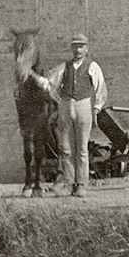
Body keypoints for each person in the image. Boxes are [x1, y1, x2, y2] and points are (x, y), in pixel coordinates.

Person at [49, 33, 108, 198]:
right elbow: (51, 84)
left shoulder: (92, 66)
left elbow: (101, 89)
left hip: (83, 105)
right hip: (66, 106)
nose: (78, 49)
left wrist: (96, 108)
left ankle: (81, 184)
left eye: (81, 46)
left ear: (86, 48)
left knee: (82, 149)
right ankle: (69, 183)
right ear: (71, 48)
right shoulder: (64, 67)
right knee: (66, 148)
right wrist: (59, 100)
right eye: (75, 46)